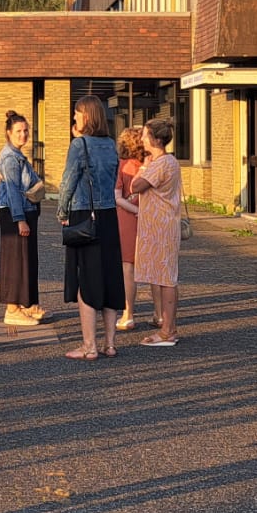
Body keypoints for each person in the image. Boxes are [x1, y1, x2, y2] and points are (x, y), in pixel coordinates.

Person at [58, 94, 126, 360]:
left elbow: (68, 182)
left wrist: (62, 212)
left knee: (85, 278)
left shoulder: (79, 145)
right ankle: (110, 344)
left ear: (85, 115)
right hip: (109, 215)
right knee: (110, 277)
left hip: (84, 215)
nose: (74, 117)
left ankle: (89, 346)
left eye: (76, 113)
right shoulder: (110, 145)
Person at [127, 116, 185, 347]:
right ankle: (168, 327)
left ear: (156, 139)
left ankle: (167, 331)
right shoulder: (170, 162)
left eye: (145, 134)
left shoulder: (160, 164)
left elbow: (136, 185)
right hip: (164, 225)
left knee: (166, 279)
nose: (141, 138)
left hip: (161, 227)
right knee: (166, 277)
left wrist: (144, 166)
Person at [0, 111, 47, 325]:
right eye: (18, 131)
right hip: (15, 213)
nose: (23, 135)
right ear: (9, 133)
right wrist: (20, 219)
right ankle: (12, 309)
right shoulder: (10, 158)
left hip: (25, 211)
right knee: (15, 260)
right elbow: (14, 190)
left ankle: (26, 304)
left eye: (26, 131)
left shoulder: (18, 156)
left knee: (26, 259)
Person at [113, 128, 145, 334]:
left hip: (126, 219)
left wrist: (134, 210)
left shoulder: (123, 167)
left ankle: (128, 314)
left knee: (127, 267)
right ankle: (160, 314)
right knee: (152, 266)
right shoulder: (149, 166)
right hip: (150, 220)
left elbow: (117, 197)